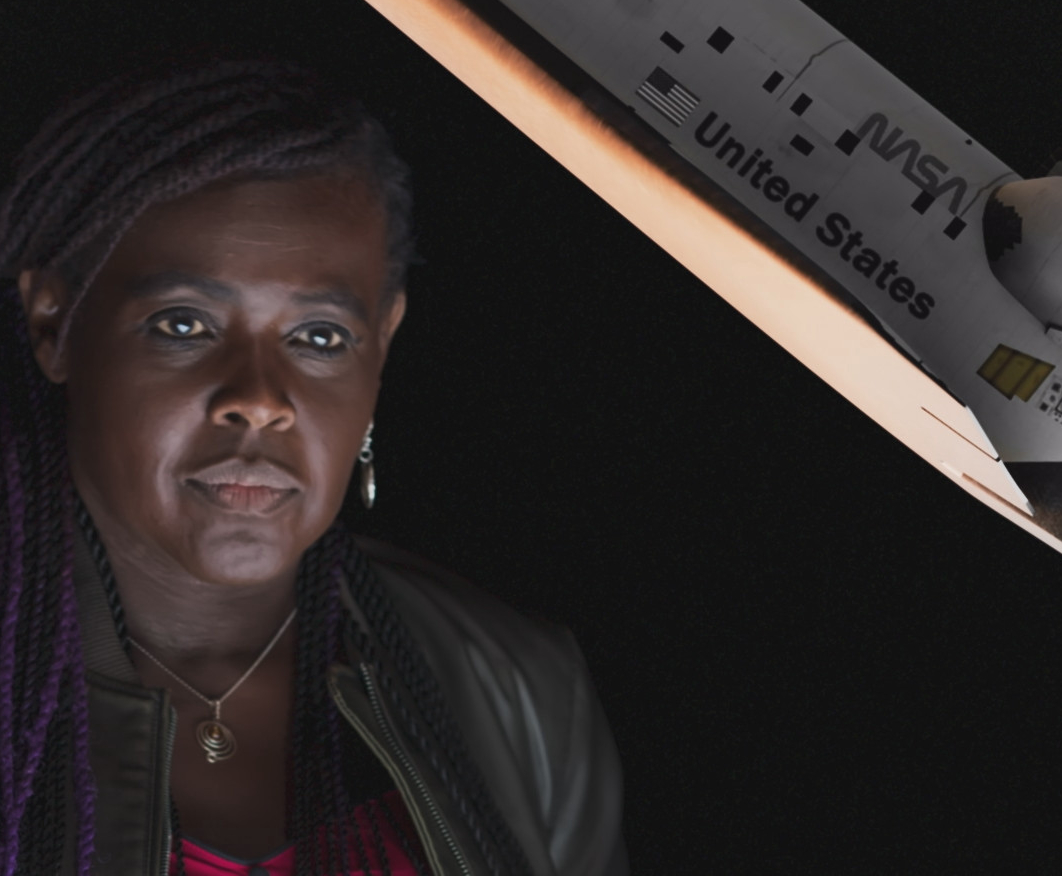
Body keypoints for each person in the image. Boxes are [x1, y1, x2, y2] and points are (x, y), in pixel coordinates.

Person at [0, 56, 627, 876]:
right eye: (185, 324)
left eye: (319, 337)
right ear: (53, 324)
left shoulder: (518, 686)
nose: (260, 400)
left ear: (382, 345)